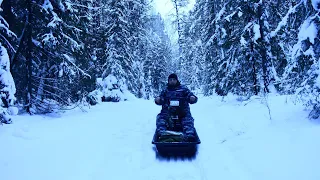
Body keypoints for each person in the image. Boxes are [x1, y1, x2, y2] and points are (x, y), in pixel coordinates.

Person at [154, 73, 198, 141]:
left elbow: (190, 96)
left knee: (187, 120)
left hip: (182, 112)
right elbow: (160, 99)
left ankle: (190, 136)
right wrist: (158, 100)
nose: (172, 81)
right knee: (161, 119)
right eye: (170, 80)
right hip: (168, 112)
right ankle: (162, 135)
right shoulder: (165, 90)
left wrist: (192, 98)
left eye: (174, 79)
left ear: (177, 80)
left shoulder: (183, 89)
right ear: (168, 81)